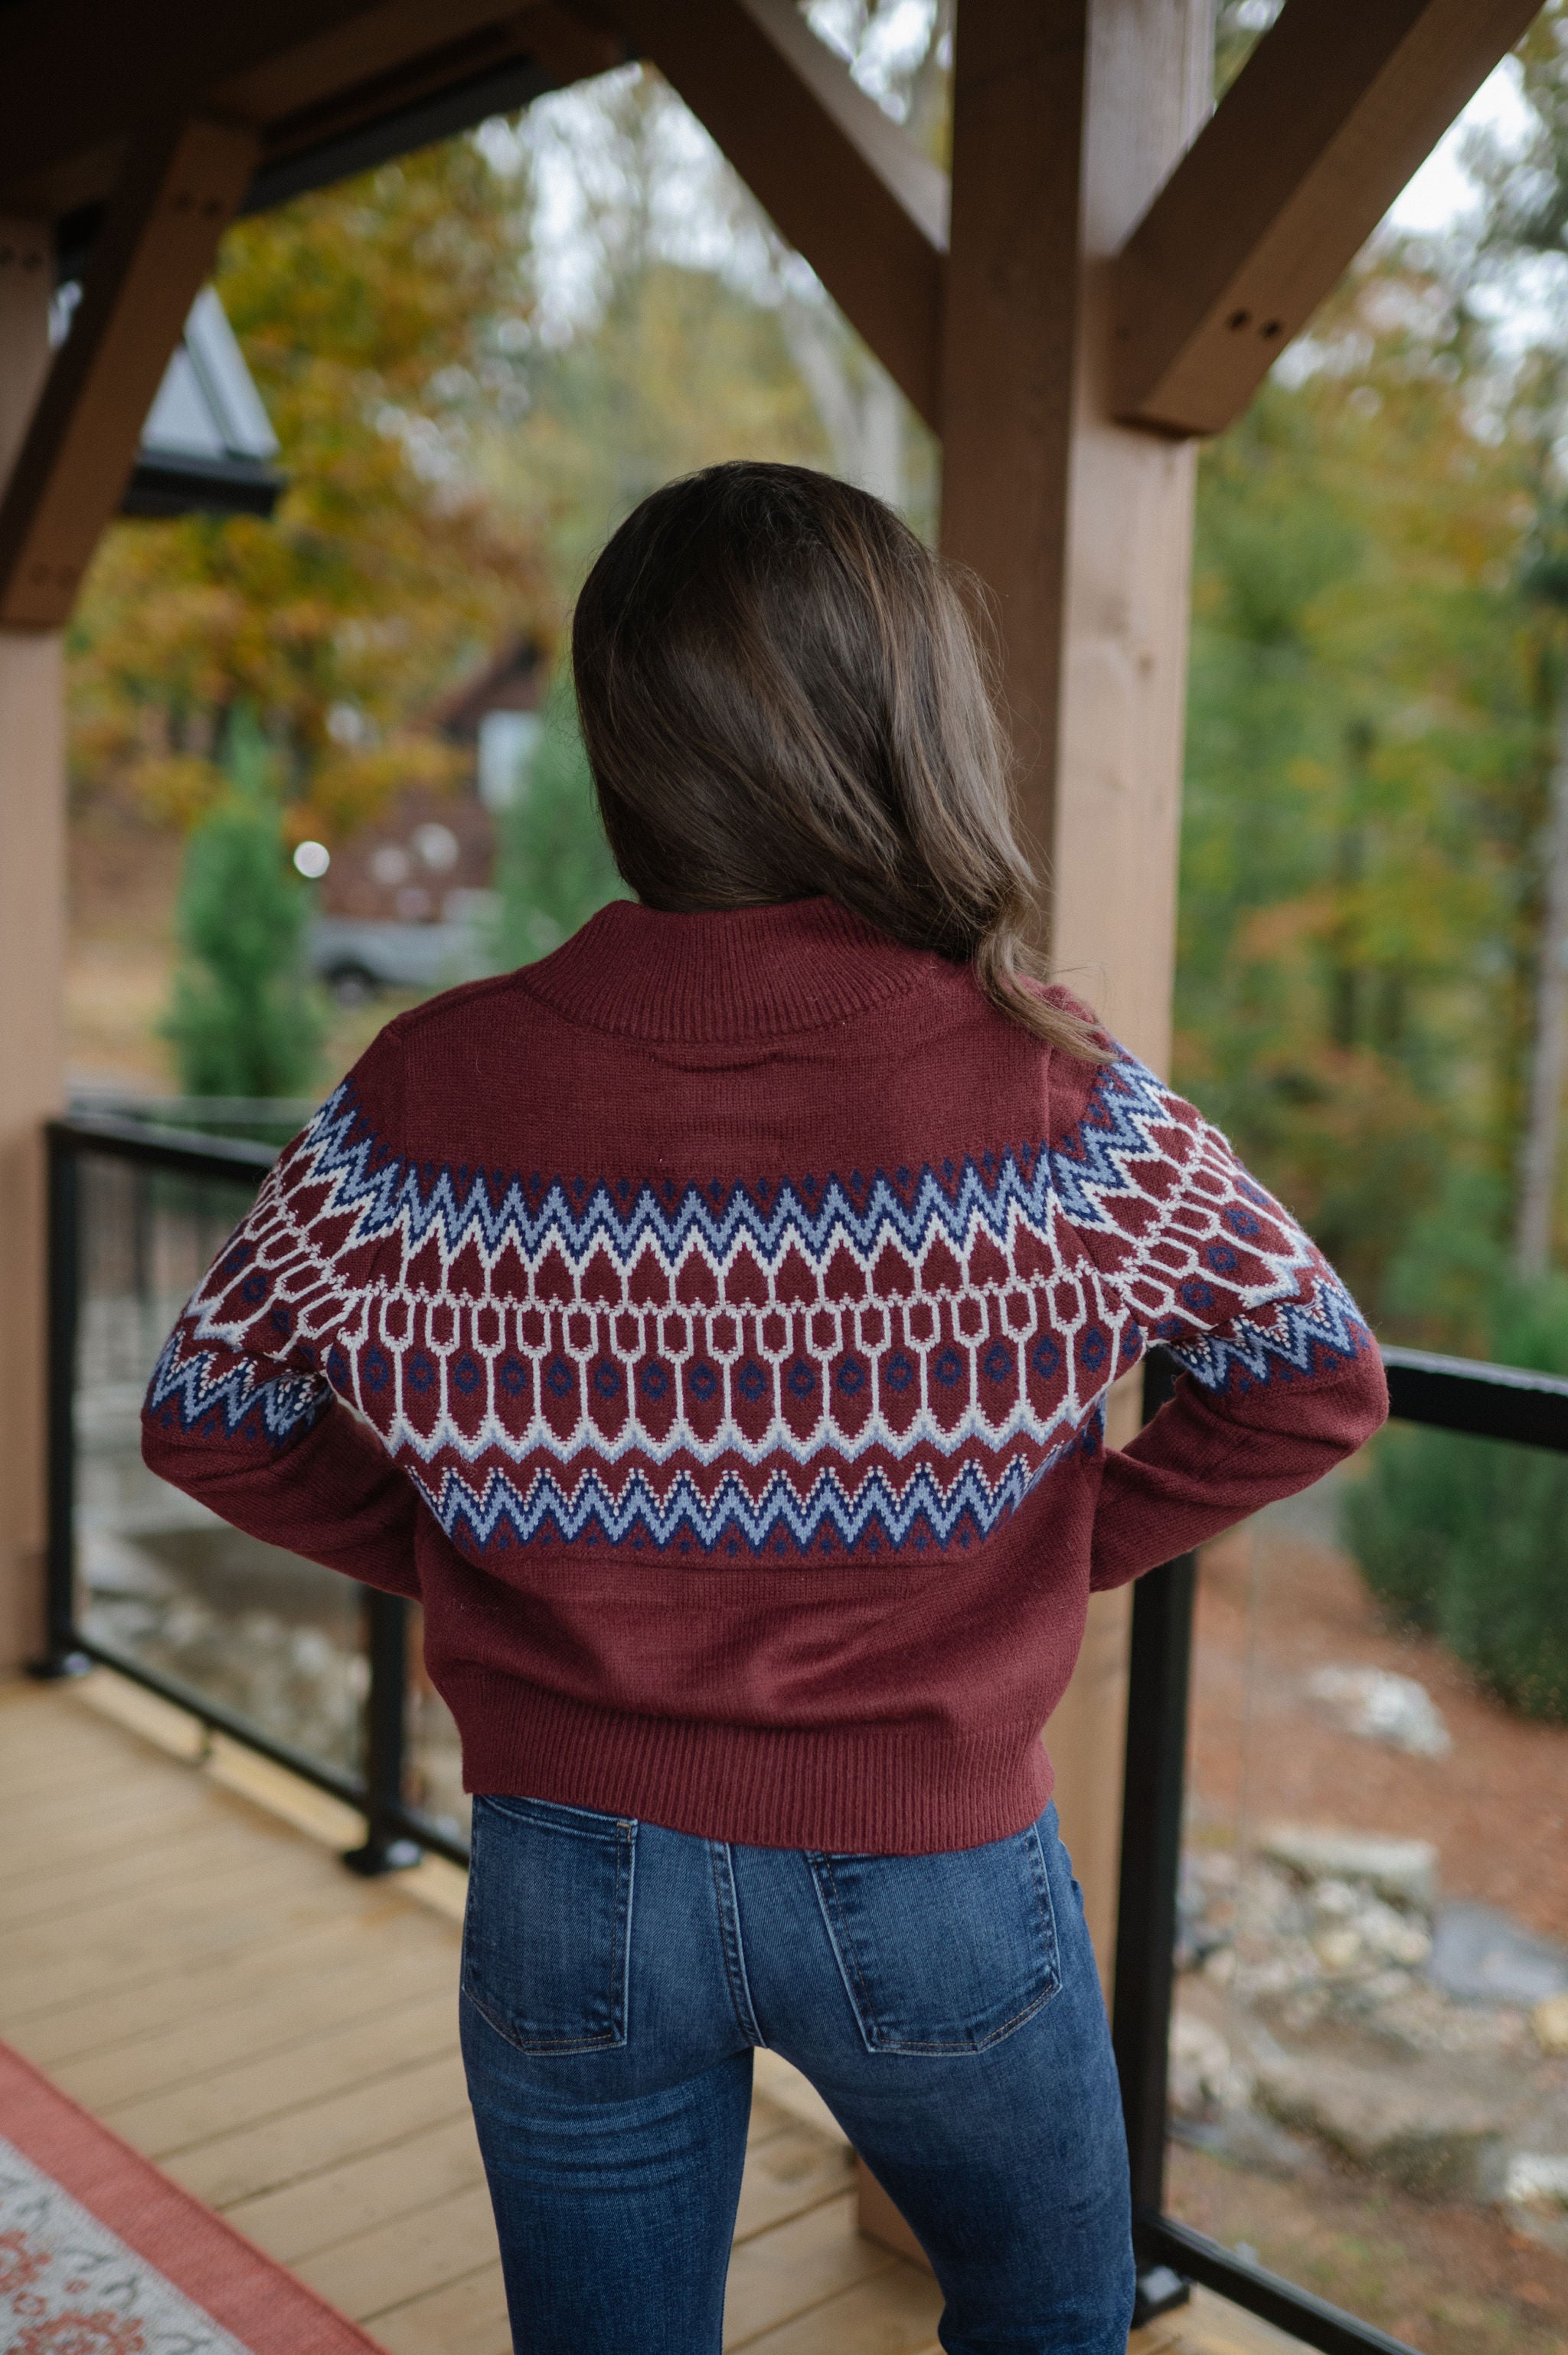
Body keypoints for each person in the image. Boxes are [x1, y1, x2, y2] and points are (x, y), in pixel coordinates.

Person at [142, 462, 1388, 2355]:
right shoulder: (1048, 1084)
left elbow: (211, 1406)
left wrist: (474, 1552)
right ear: (903, 725)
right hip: (936, 1869)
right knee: (1049, 2317)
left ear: (622, 735)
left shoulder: (427, 1085)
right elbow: (1310, 1380)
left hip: (570, 1865)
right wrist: (1045, 1547)